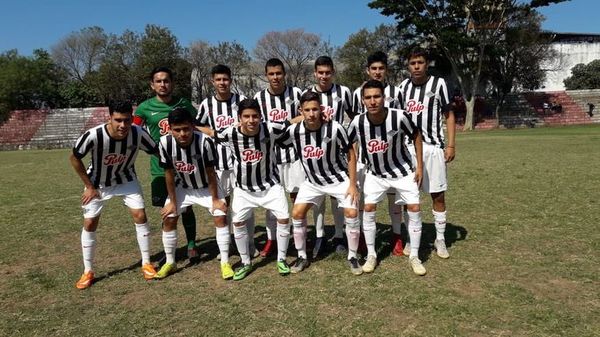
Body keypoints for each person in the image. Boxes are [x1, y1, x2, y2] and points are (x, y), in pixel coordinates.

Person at [210, 98, 303, 280]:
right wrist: (191, 125)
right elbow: (212, 132)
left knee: (284, 219)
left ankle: (281, 259)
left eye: (255, 116)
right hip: (244, 189)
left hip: (271, 185)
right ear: (239, 118)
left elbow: (290, 122)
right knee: (237, 224)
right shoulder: (230, 133)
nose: (251, 120)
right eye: (246, 116)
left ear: (261, 117)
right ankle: (246, 262)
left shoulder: (270, 128)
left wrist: (313, 116)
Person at [70, 101, 158, 289]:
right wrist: (88, 186)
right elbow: (74, 157)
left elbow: (156, 150)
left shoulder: (138, 133)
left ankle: (146, 263)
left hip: (127, 180)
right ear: (109, 118)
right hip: (97, 183)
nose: (123, 125)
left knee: (140, 215)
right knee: (90, 222)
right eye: (118, 120)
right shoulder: (94, 135)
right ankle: (88, 271)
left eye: (127, 120)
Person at [348, 80, 426, 275]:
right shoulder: (358, 121)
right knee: (368, 208)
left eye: (377, 96)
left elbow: (417, 135)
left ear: (384, 97)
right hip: (375, 173)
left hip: (402, 171)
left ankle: (414, 256)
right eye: (368, 97)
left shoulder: (399, 117)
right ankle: (372, 254)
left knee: (414, 208)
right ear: (362, 100)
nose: (373, 101)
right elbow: (348, 145)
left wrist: (420, 167)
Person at [280, 91, 362, 275]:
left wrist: (352, 184)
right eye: (307, 110)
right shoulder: (295, 130)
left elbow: (350, 154)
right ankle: (302, 256)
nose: (311, 114)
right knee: (297, 212)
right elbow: (278, 137)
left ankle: (353, 256)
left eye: (315, 109)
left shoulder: (335, 128)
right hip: (312, 182)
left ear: (321, 109)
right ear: (301, 110)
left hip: (338, 179)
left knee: (351, 211)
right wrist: (295, 119)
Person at [153, 108, 231, 280]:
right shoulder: (165, 143)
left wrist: (216, 199)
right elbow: (169, 174)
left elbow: (211, 173)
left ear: (193, 127)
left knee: (220, 215)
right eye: (177, 130)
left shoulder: (205, 142)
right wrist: (172, 202)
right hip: (183, 186)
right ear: (170, 128)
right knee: (169, 216)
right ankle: (171, 262)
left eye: (186, 129)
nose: (182, 134)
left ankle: (225, 262)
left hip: (205, 186)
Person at [134, 67, 200, 259]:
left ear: (172, 83)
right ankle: (170, 250)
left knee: (186, 207)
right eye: (159, 81)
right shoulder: (144, 108)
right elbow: (133, 131)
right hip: (159, 168)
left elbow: (196, 127)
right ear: (152, 85)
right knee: (167, 209)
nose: (163, 84)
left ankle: (191, 245)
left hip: (184, 167)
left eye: (166, 81)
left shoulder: (184, 104)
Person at [399, 48, 456, 260]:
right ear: (408, 65)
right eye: (412, 63)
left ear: (426, 64)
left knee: (438, 195)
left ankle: (440, 239)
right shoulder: (402, 87)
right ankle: (410, 238)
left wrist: (450, 145)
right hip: (408, 150)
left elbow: (449, 114)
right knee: (408, 198)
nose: (416, 66)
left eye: (420, 62)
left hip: (433, 148)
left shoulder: (438, 84)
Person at [196, 64, 258, 257]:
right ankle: (230, 241)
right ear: (212, 81)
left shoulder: (241, 101)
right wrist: (214, 133)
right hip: (219, 163)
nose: (222, 83)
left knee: (246, 203)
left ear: (231, 80)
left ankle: (250, 243)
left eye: (225, 79)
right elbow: (197, 126)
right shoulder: (207, 104)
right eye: (218, 79)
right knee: (224, 204)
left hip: (242, 163)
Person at [351, 51, 407, 256]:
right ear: (368, 70)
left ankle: (396, 237)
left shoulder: (396, 92)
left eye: (381, 68)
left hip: (394, 158)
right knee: (366, 201)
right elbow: (357, 126)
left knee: (395, 200)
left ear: (386, 70)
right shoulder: (358, 92)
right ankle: (366, 239)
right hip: (369, 159)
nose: (377, 72)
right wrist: (356, 158)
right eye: (373, 68)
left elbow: (403, 124)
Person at [253, 58, 304, 258]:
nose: (275, 77)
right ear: (266, 76)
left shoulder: (297, 94)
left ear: (284, 74)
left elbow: (305, 115)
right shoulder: (258, 97)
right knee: (271, 202)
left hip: (294, 156)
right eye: (271, 74)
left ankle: (300, 239)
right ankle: (271, 240)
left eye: (278, 73)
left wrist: (286, 122)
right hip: (270, 159)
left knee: (297, 199)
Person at [306, 55, 353, 257]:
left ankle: (340, 235)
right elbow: (298, 119)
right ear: (315, 73)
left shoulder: (343, 92)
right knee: (318, 198)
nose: (324, 76)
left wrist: (351, 144)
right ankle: (319, 236)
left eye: (327, 72)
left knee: (336, 197)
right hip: (314, 154)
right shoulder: (307, 94)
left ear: (333, 72)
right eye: (320, 72)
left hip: (337, 152)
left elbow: (354, 116)